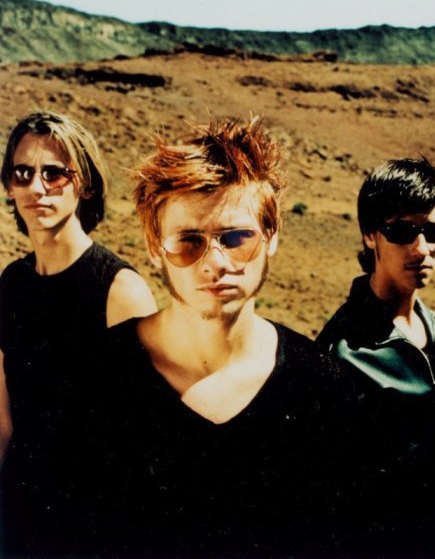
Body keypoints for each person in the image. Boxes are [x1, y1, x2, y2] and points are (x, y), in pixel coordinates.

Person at [95, 117, 363, 557]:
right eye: (189, 240)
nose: (215, 262)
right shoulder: (91, 383)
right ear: (154, 244)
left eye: (237, 238)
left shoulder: (325, 391)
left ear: (271, 237)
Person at [0, 110, 157, 556]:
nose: (37, 188)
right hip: (18, 518)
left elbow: (148, 438)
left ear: (84, 184)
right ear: (9, 186)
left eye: (54, 174)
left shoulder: (119, 291)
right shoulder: (12, 284)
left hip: (93, 530)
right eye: (23, 173)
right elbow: (3, 418)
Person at [316, 157, 435, 554]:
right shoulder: (342, 353)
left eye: (434, 232)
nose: (421, 248)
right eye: (401, 231)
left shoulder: (432, 327)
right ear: (370, 235)